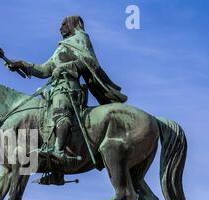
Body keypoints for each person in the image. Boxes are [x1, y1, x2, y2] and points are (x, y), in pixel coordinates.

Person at [7, 16, 127, 161]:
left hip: (69, 88)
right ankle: (56, 172)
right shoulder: (61, 47)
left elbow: (89, 61)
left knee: (61, 113)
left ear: (72, 24)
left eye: (64, 24)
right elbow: (45, 70)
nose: (60, 28)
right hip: (55, 89)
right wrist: (21, 63)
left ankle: (59, 151)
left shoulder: (81, 38)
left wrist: (66, 67)